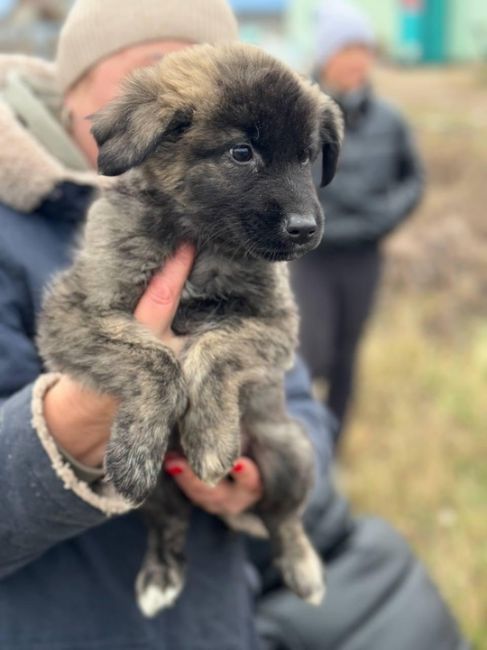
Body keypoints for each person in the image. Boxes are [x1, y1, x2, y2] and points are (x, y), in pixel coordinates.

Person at [0, 1, 467, 648]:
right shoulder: (29, 232)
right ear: (73, 85)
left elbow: (293, 397)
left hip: (217, 618)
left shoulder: (235, 227)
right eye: (242, 152)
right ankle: (171, 547)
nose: (300, 210)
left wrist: (260, 488)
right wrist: (92, 410)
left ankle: (287, 538)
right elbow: (66, 334)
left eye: (301, 158)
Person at [292, 0, 425, 445]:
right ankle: (301, 440)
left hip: (364, 257)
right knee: (313, 354)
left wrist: (387, 218)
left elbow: (414, 179)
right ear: (326, 54)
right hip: (312, 261)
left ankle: (334, 447)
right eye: (347, 49)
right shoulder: (299, 116)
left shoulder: (390, 120)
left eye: (364, 50)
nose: (357, 60)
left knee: (348, 355)